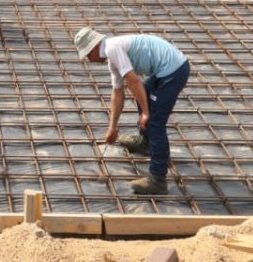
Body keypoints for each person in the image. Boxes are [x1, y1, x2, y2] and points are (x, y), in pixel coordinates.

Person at [74, 26, 190, 195]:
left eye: (87, 55)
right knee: (146, 90)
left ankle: (158, 179)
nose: (88, 60)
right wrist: (112, 127)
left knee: (156, 122)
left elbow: (133, 81)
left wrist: (146, 113)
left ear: (92, 48)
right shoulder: (112, 57)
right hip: (166, 69)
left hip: (174, 70)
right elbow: (118, 93)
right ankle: (146, 143)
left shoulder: (112, 48)